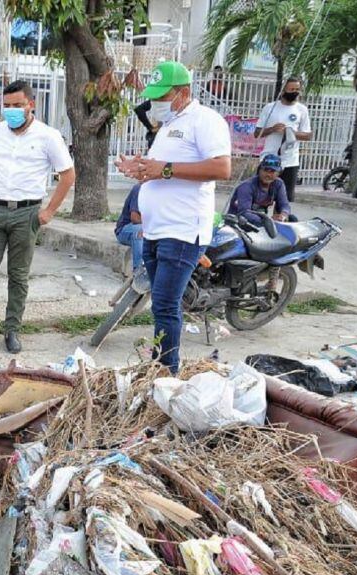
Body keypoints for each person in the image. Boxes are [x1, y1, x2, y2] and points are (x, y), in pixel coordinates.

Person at [116, 61, 232, 374]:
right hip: (154, 229)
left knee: (166, 306)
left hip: (181, 231)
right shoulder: (167, 125)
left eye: (162, 96)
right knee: (162, 305)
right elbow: (161, 171)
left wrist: (164, 168)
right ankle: (160, 367)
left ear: (183, 93)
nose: (156, 103)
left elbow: (222, 168)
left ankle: (166, 373)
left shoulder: (205, 121)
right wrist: (141, 169)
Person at [0, 81, 75, 354]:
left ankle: (12, 331)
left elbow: (68, 175)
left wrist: (49, 211)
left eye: (17, 105)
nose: (11, 111)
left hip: (27, 213)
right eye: (6, 106)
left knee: (18, 277)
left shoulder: (48, 136)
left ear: (31, 104)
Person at [254, 77, 311, 202]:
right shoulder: (270, 108)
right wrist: (272, 129)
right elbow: (257, 133)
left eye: (297, 89)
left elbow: (307, 135)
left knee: (284, 200)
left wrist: (290, 132)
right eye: (291, 89)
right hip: (268, 158)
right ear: (284, 90)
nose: (294, 92)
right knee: (261, 198)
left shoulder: (302, 110)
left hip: (290, 161)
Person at [227, 154, 295, 225]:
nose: (268, 175)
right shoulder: (246, 186)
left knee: (292, 219)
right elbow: (244, 212)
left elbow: (284, 204)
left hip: (261, 222)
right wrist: (267, 221)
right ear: (260, 170)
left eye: (272, 171)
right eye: (265, 170)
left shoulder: (278, 184)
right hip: (239, 223)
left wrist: (283, 215)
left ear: (278, 173)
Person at [114, 184, 144, 272]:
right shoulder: (140, 188)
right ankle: (138, 272)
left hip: (151, 229)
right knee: (139, 230)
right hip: (126, 229)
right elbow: (135, 218)